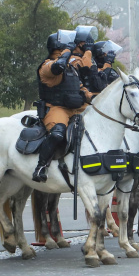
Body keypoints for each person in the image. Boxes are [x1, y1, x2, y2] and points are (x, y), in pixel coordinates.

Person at [32, 30, 96, 182]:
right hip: (56, 108)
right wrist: (67, 51)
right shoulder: (47, 66)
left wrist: (95, 99)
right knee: (58, 133)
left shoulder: (71, 68)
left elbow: (80, 88)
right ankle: (41, 167)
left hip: (74, 109)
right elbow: (57, 67)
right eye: (68, 45)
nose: (73, 47)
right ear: (58, 47)